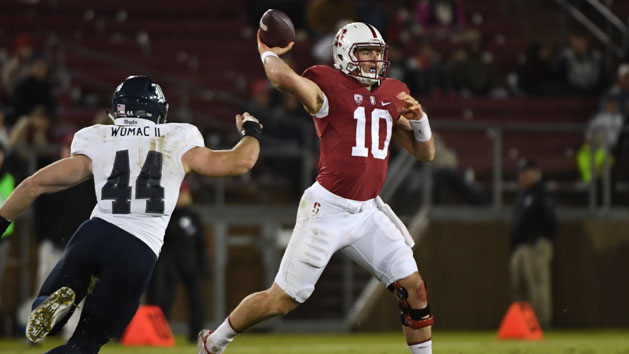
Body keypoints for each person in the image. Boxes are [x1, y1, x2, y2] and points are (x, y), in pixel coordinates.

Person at [199, 22, 436, 354]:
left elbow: (425, 153)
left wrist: (420, 119)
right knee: (281, 300)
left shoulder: (390, 93)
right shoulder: (327, 85)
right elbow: (283, 78)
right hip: (327, 210)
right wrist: (266, 50)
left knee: (415, 290)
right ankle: (215, 341)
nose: (372, 60)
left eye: (376, 53)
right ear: (343, 54)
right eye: (364, 52)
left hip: (368, 211)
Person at [0, 75, 263, 353]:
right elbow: (240, 162)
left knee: (50, 304)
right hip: (137, 249)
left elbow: (34, 184)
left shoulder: (98, 138)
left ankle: (51, 304)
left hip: (94, 233)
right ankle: (66, 325)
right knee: (86, 342)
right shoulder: (178, 139)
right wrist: (251, 131)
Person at [145, 180, 207, 343]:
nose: (181, 197)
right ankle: (159, 334)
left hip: (191, 265)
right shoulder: (165, 217)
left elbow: (201, 244)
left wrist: (203, 266)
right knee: (164, 301)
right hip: (169, 266)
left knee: (197, 303)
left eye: (183, 193)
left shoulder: (193, 216)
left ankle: (195, 336)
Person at [509, 158, 557, 330]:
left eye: (525, 172)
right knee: (519, 287)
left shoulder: (542, 193)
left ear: (535, 173)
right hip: (521, 246)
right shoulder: (524, 195)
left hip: (536, 245)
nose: (522, 177)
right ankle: (523, 325)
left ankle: (541, 324)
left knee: (537, 286)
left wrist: (541, 240)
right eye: (520, 173)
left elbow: (551, 221)